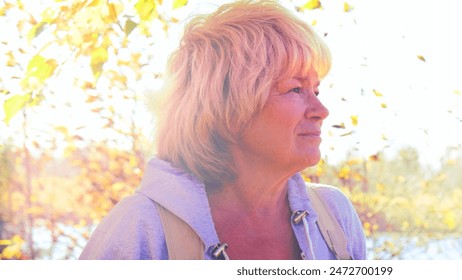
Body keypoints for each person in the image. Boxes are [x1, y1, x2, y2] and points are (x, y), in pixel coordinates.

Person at [79, 0, 366, 260]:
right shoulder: (141, 228)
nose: (321, 110)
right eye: (295, 89)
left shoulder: (334, 217)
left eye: (316, 89)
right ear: (229, 107)